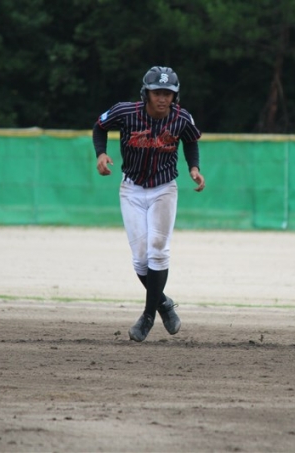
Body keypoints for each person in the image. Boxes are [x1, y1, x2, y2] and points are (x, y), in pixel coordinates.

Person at [92, 66, 205, 342]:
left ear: (175, 96)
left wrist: (194, 168)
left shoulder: (181, 118)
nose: (162, 98)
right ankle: (163, 303)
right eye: (157, 92)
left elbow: (191, 141)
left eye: (168, 93)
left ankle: (147, 317)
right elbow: (100, 126)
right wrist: (101, 153)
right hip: (131, 189)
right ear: (146, 93)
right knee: (140, 257)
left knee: (158, 251)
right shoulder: (125, 112)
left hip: (164, 188)